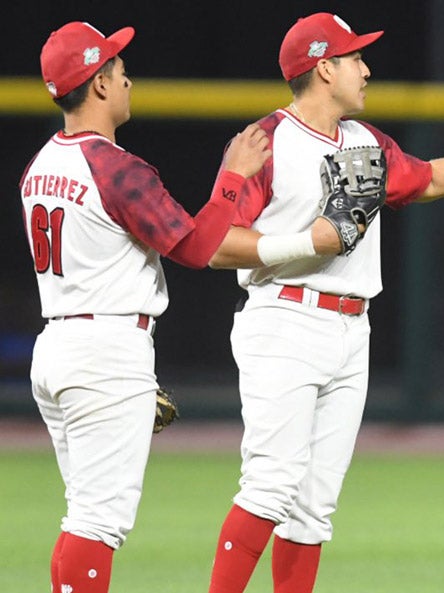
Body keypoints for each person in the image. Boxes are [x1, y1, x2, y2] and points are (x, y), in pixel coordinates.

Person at [203, 12, 444, 593]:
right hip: (283, 318)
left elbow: (429, 178)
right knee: (270, 486)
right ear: (323, 66)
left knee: (313, 508)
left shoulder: (366, 142)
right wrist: (310, 241)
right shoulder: (266, 140)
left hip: (352, 329)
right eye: (355, 57)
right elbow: (217, 244)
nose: (367, 68)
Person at [21, 21, 270, 593]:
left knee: (81, 514)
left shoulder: (39, 166)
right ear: (99, 85)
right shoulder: (115, 168)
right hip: (105, 353)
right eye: (116, 66)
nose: (127, 76)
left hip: (58, 347)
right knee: (96, 523)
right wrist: (231, 179)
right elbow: (196, 247)